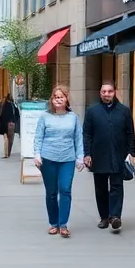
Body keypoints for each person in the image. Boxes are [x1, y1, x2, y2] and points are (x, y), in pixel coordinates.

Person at [83, 82, 135, 232]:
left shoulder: (124, 111)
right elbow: (87, 133)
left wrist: (131, 152)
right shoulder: (92, 111)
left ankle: (115, 216)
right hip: (98, 155)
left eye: (110, 91)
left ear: (115, 92)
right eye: (104, 91)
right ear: (100, 93)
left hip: (118, 155)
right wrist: (87, 153)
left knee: (117, 187)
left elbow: (130, 132)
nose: (107, 94)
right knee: (100, 188)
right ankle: (104, 217)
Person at [33, 85, 84, 238]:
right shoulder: (44, 117)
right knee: (51, 192)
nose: (58, 99)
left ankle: (63, 224)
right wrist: (37, 154)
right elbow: (38, 136)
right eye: (56, 97)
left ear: (66, 99)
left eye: (61, 96)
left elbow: (78, 138)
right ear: (52, 100)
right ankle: (53, 223)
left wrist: (80, 157)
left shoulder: (73, 117)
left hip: (67, 158)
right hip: (48, 158)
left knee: (65, 189)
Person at [0, 93, 18, 158]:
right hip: (12, 123)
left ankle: (6, 153)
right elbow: (17, 114)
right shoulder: (13, 105)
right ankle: (8, 152)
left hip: (5, 124)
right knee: (11, 139)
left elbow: (1, 115)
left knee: (6, 138)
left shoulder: (4, 105)